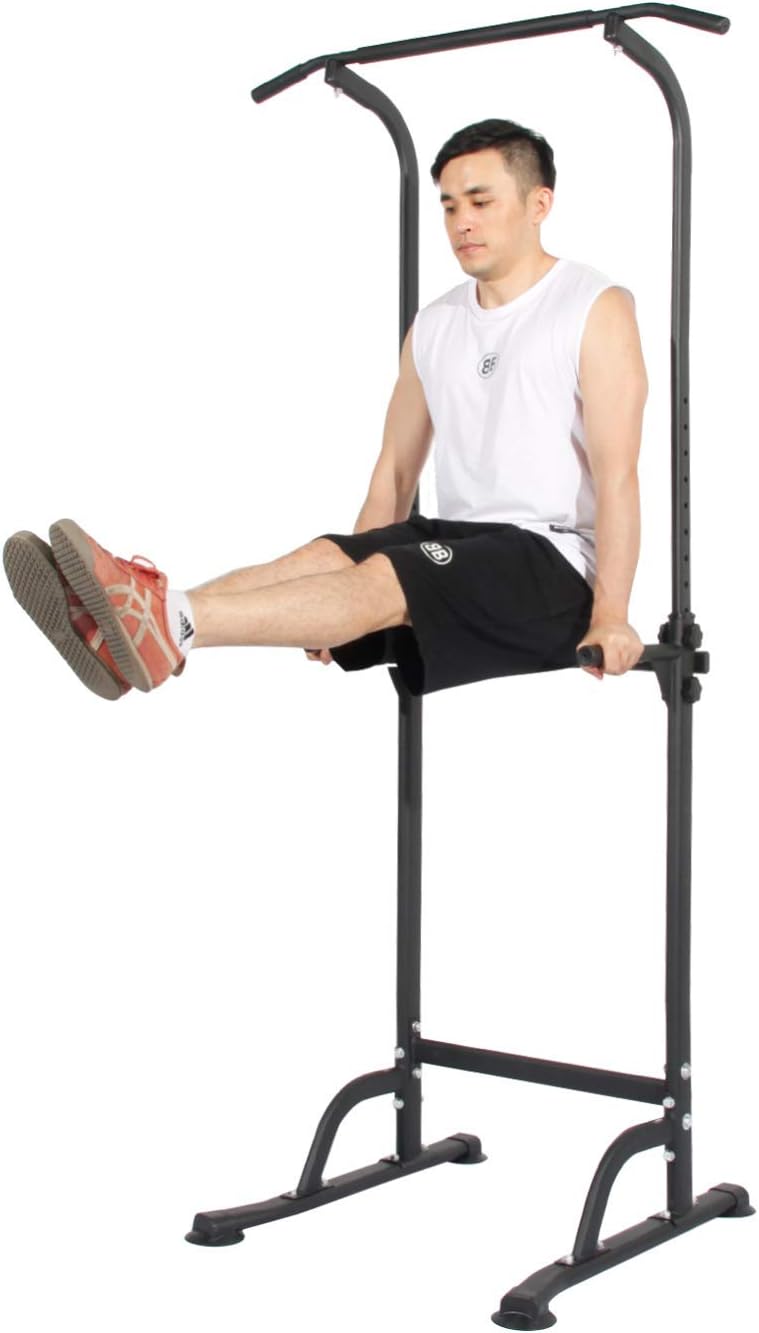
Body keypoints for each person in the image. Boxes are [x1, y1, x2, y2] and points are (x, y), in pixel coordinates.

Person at [3, 118, 647, 701]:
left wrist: (612, 615)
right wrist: (334, 601)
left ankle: (166, 621)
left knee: (387, 576)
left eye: (481, 202)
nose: (462, 223)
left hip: (557, 564)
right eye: (449, 206)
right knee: (324, 557)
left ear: (539, 205)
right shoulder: (436, 323)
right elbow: (395, 472)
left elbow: (617, 475)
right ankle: (135, 620)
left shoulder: (593, 306)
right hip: (459, 542)